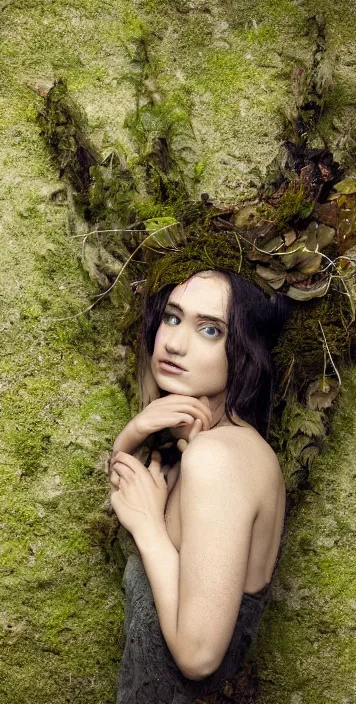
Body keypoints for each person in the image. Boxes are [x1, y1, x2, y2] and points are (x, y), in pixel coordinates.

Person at [108, 268, 292, 702]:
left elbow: (199, 655)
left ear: (245, 350)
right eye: (172, 318)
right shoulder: (199, 449)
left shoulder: (218, 459)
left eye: (210, 329)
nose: (174, 343)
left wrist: (150, 528)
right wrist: (133, 434)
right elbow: (125, 496)